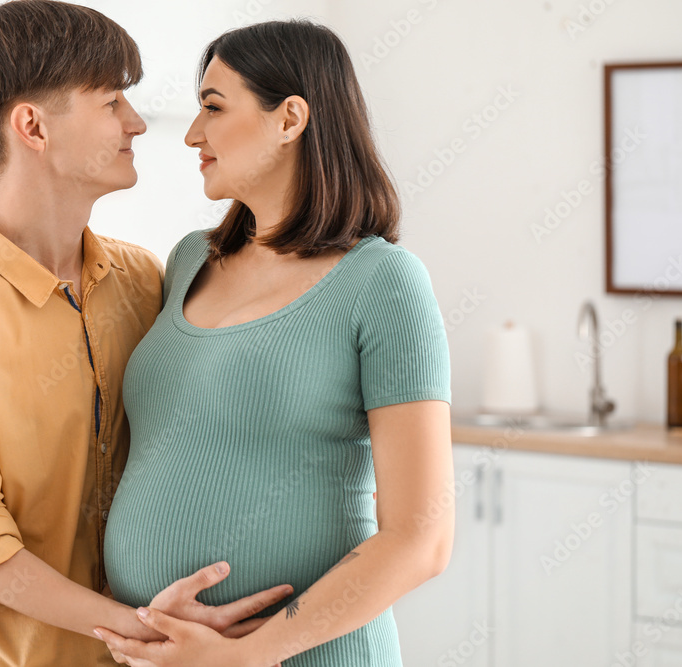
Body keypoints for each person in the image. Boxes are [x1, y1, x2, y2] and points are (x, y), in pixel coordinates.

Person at [0, 3, 292, 666]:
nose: (138, 122)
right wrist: (145, 627)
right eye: (111, 101)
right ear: (32, 126)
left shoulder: (141, 279)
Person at [95, 19, 454, 667]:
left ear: (290, 118)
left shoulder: (383, 282)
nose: (191, 134)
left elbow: (421, 537)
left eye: (212, 107)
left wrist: (251, 652)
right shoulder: (187, 262)